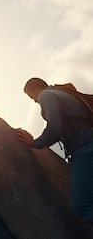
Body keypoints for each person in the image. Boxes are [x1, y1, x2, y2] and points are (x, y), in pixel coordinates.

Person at [15, 77, 93, 225]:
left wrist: (35, 143)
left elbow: (54, 128)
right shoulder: (65, 93)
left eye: (32, 97)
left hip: (85, 149)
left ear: (37, 89)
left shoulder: (46, 95)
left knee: (84, 207)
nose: (35, 101)